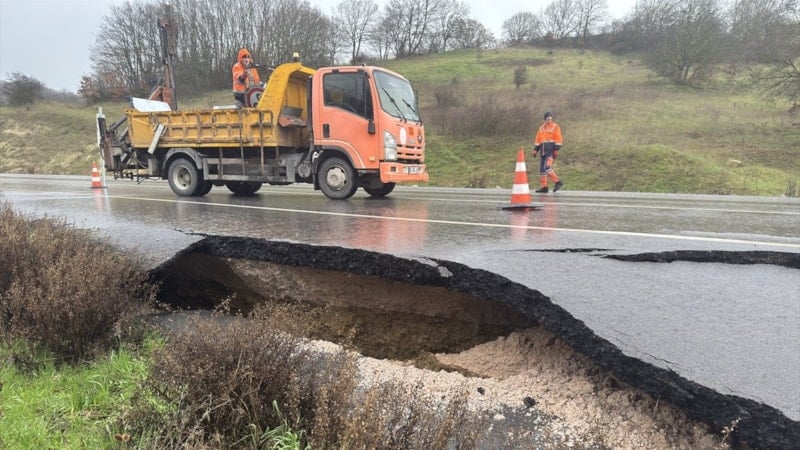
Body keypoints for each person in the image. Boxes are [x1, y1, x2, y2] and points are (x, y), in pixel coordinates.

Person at [532, 111, 564, 193]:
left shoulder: (555, 127)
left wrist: (556, 149)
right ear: (545, 119)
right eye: (547, 119)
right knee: (542, 170)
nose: (549, 120)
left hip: (550, 151)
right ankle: (544, 187)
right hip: (543, 151)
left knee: (547, 167)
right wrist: (536, 149)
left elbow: (558, 139)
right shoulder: (541, 128)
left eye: (550, 118)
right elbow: (538, 140)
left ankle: (558, 182)